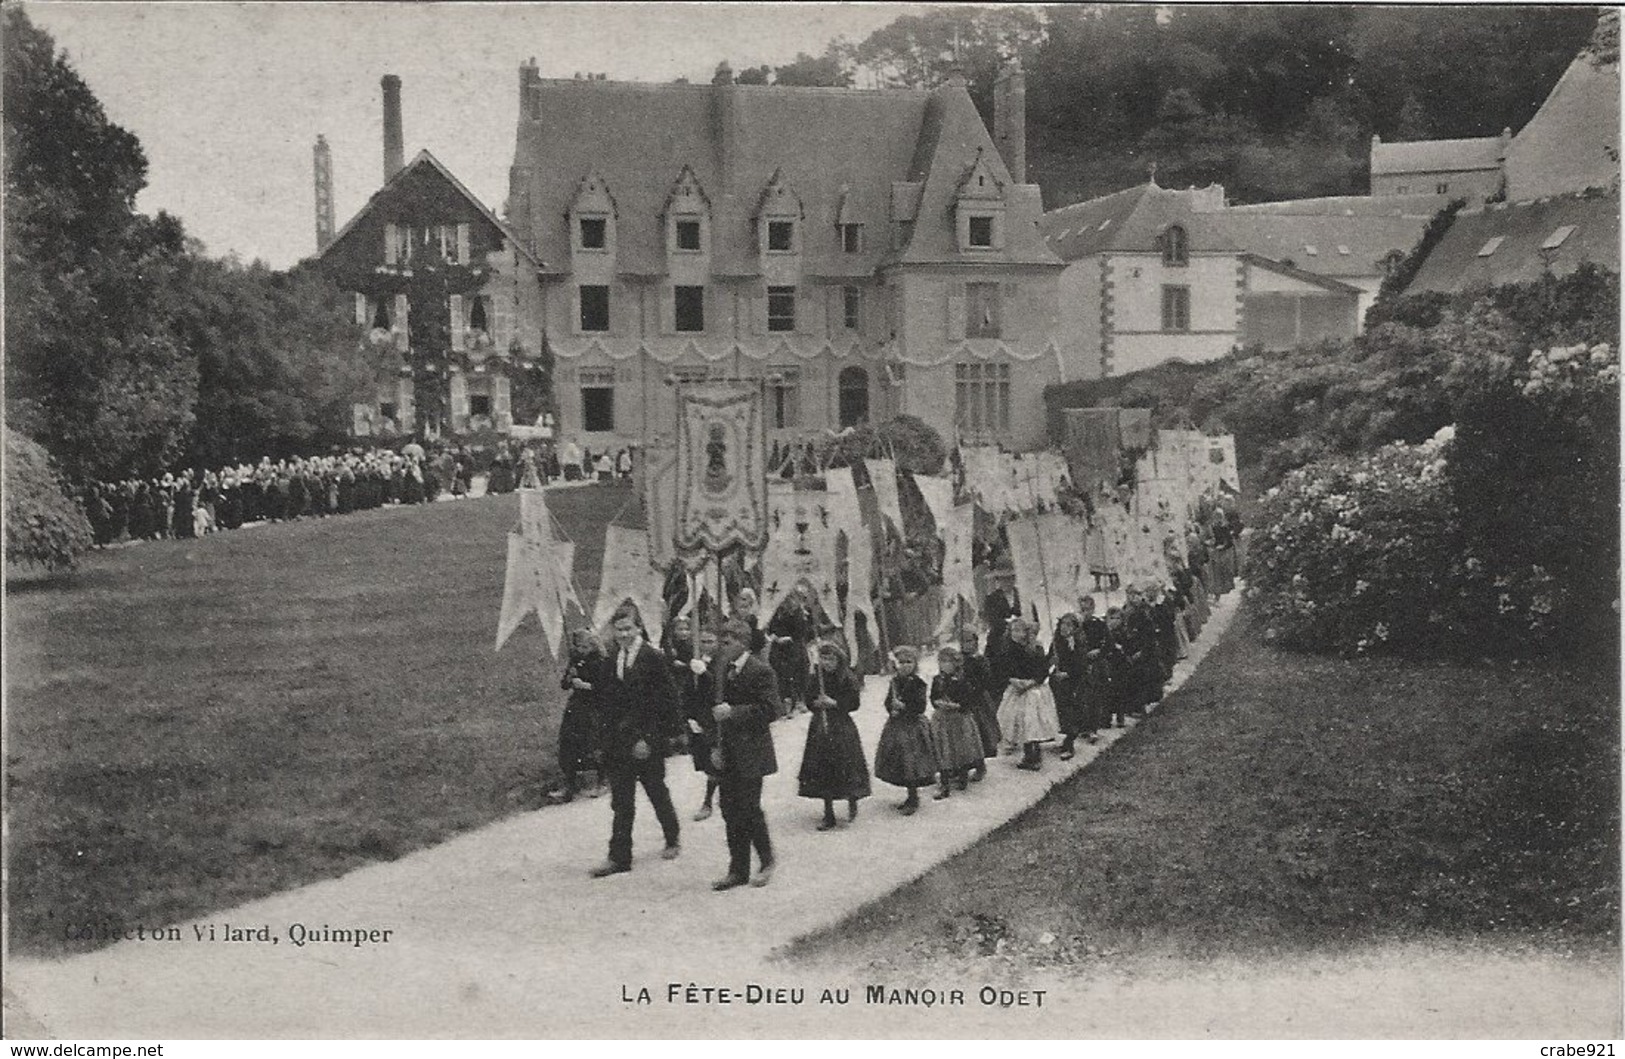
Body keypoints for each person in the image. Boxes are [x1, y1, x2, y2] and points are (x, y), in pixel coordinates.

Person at [590, 608, 683, 878]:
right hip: (619, 742)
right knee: (621, 800)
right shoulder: (612, 658)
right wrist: (603, 740)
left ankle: (672, 836)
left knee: (655, 791)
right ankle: (619, 856)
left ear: (639, 629)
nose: (623, 634)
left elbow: (664, 702)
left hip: (645, 740)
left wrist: (649, 739)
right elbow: (606, 702)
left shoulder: (653, 657)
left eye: (628, 629)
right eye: (618, 629)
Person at [710, 619, 780, 890]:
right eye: (722, 642)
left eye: (728, 643)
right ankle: (737, 869)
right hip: (727, 750)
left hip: (752, 751)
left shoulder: (760, 670)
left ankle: (766, 860)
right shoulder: (721, 669)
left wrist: (735, 712)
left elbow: (771, 709)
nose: (723, 647)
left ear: (743, 642)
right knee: (728, 808)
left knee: (749, 808)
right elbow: (714, 710)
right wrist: (714, 746)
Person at [798, 641, 871, 830]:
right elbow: (808, 699)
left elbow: (854, 703)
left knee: (845, 764)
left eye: (831, 659)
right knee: (823, 767)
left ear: (839, 660)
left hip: (841, 726)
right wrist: (816, 703)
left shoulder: (846, 678)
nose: (827, 663)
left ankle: (851, 799)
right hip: (820, 727)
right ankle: (828, 812)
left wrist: (834, 703)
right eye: (823, 658)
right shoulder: (816, 678)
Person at [873, 646, 937, 814]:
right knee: (900, 761)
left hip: (912, 727)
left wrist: (905, 706)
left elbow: (920, 706)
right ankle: (909, 794)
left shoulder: (918, 683)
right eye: (901, 662)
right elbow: (888, 701)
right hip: (896, 725)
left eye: (909, 662)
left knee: (912, 763)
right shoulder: (894, 682)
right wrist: (891, 708)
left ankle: (913, 797)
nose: (905, 666)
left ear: (915, 664)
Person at [994, 619, 1060, 770]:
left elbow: (1042, 671)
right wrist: (1012, 680)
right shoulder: (1006, 650)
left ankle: (1035, 755)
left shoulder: (1034, 649)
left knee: (1031, 723)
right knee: (1018, 722)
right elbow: (1002, 670)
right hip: (1016, 689)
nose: (1017, 634)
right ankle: (1027, 754)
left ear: (1026, 632)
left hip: (1032, 689)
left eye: (1020, 631)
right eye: (1014, 631)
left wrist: (1031, 682)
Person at [676, 622, 722, 823]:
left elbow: (719, 689)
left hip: (716, 716)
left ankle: (708, 802)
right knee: (704, 759)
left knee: (715, 761)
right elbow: (688, 691)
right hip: (699, 716)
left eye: (710, 641)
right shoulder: (696, 660)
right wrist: (689, 716)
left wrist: (705, 673)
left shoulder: (722, 662)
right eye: (702, 641)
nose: (706, 645)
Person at [555, 630, 606, 803]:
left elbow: (604, 688)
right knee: (568, 742)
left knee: (593, 744)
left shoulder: (599, 662)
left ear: (593, 646)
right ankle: (569, 784)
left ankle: (602, 781)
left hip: (593, 706)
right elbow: (564, 684)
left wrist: (584, 685)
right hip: (576, 706)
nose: (582, 649)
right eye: (579, 646)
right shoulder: (575, 660)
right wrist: (570, 677)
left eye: (586, 646)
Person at [928, 645, 986, 797]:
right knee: (944, 748)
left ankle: (963, 774)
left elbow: (967, 700)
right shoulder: (937, 680)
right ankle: (945, 779)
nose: (945, 665)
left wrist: (957, 705)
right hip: (942, 719)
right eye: (942, 661)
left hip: (958, 719)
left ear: (956, 663)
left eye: (948, 662)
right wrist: (937, 703)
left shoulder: (962, 680)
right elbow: (933, 697)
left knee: (960, 747)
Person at [766, 584, 815, 717]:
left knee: (798, 672)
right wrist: (774, 637)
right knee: (780, 673)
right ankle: (785, 702)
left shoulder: (798, 611)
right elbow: (770, 628)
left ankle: (799, 699)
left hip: (794, 645)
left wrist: (790, 638)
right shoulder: (776, 610)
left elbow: (802, 631)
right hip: (778, 646)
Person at [958, 632, 1000, 777]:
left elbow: (986, 680)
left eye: (969, 641)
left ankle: (980, 765)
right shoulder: (959, 660)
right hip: (962, 700)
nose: (966, 644)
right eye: (963, 641)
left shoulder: (980, 660)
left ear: (976, 642)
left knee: (980, 732)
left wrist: (973, 686)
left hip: (978, 701)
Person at [1047, 611, 1088, 761]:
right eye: (1062, 624)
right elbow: (1049, 660)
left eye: (1069, 625)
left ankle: (1069, 742)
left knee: (1071, 710)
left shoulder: (1078, 642)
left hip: (1074, 681)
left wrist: (1068, 673)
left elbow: (1081, 664)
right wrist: (1052, 661)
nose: (1064, 628)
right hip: (1058, 682)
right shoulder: (1057, 642)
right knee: (1060, 710)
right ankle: (1064, 735)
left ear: (1075, 627)